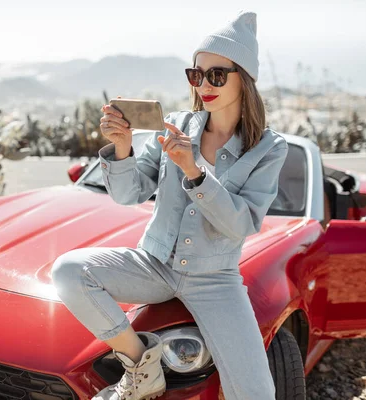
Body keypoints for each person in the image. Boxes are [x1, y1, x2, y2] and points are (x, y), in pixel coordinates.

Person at [51, 10, 288, 400]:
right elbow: (130, 194)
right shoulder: (177, 125)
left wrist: (194, 172)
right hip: (155, 263)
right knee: (70, 270)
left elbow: (242, 223)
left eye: (217, 75)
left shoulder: (268, 148)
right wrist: (123, 148)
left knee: (256, 391)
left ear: (244, 79)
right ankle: (141, 365)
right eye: (197, 74)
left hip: (216, 280)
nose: (204, 84)